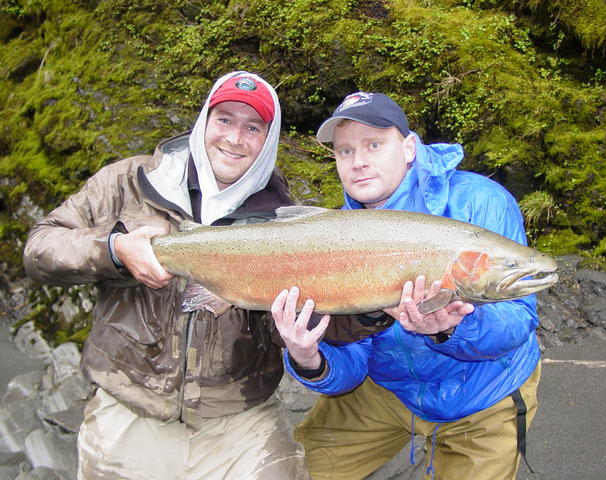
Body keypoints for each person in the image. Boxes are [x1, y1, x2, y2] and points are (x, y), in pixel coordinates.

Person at [23, 71, 310, 480]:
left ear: (270, 140)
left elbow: (293, 330)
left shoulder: (283, 218)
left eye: (253, 128)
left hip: (241, 424)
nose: (234, 138)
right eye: (224, 119)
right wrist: (114, 250)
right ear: (204, 122)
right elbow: (40, 248)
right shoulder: (127, 182)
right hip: (127, 412)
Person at [271, 92, 541, 480]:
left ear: (409, 147)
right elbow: (352, 361)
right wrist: (309, 359)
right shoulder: (336, 235)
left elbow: (517, 322)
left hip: (484, 390)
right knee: (292, 472)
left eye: (374, 145)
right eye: (345, 152)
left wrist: (452, 328)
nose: (358, 161)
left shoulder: (479, 200)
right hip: (387, 387)